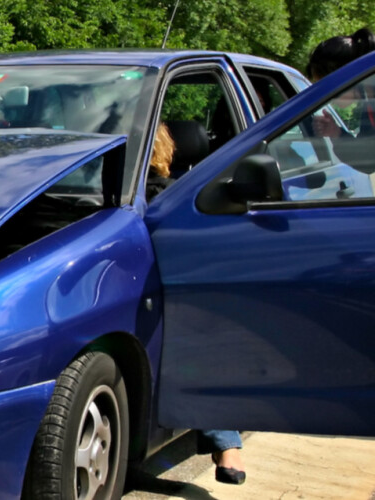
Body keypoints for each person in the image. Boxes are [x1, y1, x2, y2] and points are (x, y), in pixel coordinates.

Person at [146, 124, 247, 485]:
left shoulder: (174, 199)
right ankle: (227, 445)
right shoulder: (182, 198)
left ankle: (225, 441)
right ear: (167, 152)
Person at [307, 28, 375, 138]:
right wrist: (336, 134)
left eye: (327, 88)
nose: (327, 97)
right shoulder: (369, 107)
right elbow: (366, 151)